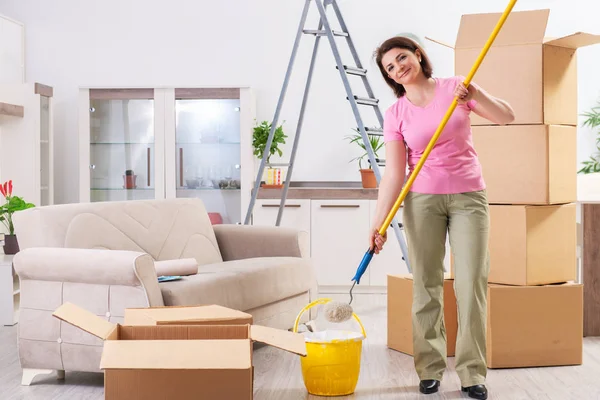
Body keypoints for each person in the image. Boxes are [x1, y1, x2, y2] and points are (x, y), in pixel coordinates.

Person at [369, 36, 514, 400]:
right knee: (427, 285)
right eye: (390, 66)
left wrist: (476, 92)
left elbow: (506, 117)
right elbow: (393, 173)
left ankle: (471, 373)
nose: (398, 66)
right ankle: (430, 368)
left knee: (471, 285)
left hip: (469, 198)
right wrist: (378, 222)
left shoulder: (456, 89)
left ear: (417, 55)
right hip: (421, 203)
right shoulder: (396, 113)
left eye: (402, 57)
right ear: (389, 76)